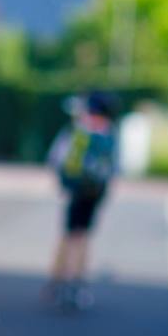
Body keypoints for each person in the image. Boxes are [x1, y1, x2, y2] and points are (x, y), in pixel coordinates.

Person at [46, 90, 121, 309]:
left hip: (76, 189)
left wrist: (63, 180)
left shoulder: (79, 129)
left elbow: (56, 157)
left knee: (69, 234)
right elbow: (115, 166)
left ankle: (59, 280)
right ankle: (77, 281)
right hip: (96, 191)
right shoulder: (109, 132)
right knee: (84, 235)